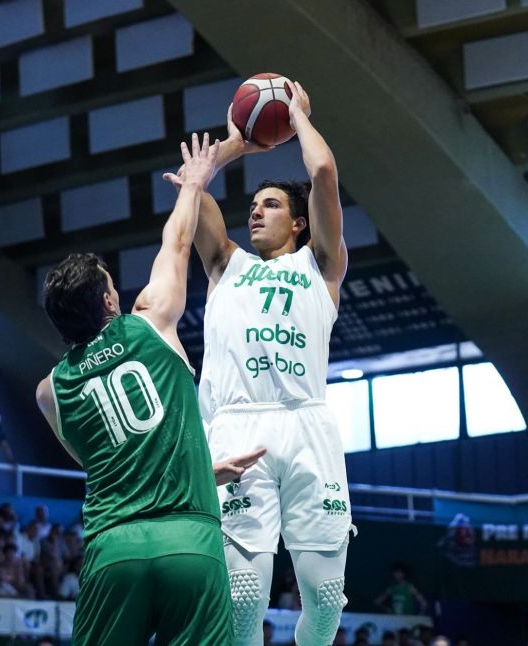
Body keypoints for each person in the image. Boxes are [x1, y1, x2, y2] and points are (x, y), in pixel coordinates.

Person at [36, 133, 264, 644]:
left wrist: (200, 469)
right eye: (111, 285)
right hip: (189, 538)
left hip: (114, 549)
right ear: (109, 302)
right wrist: (195, 183)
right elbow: (177, 242)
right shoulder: (150, 320)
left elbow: (108, 459)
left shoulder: (50, 391)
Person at [166, 80, 351, 645]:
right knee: (244, 600)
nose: (255, 211)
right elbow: (194, 184)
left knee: (325, 600)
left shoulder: (321, 267)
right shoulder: (227, 264)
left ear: (298, 223)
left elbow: (323, 172)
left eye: (270, 205)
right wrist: (238, 143)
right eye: (252, 205)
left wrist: (297, 117)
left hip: (307, 425)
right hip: (238, 427)